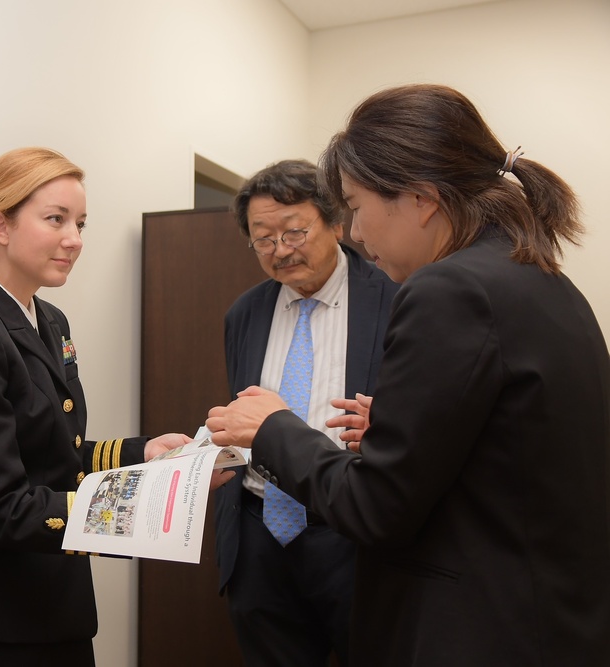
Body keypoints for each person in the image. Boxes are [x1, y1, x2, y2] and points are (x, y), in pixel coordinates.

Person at [206, 83, 610, 666]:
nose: (360, 234)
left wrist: (273, 427)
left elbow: (377, 507)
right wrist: (402, 431)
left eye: (357, 206)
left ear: (420, 199)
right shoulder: (543, 279)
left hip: (478, 627)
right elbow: (513, 451)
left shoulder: (448, 290)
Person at [0, 147, 190, 667]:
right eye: (55, 219)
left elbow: (59, 454)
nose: (74, 240)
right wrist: (137, 510)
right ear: (1, 225)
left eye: (80, 223)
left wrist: (146, 455)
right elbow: (1, 509)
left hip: (54, 610)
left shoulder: (49, 320)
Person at [213, 160, 398, 666]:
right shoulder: (244, 313)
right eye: (263, 239)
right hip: (258, 536)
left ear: (336, 223)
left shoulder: (397, 300)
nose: (281, 250)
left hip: (354, 537)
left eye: (294, 231)